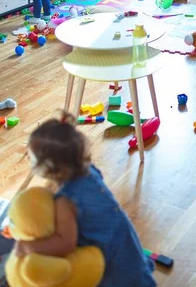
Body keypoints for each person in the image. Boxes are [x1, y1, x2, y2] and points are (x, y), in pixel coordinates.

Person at [14, 113, 157, 287]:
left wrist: (27, 247)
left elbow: (65, 244)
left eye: (31, 157)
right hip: (127, 248)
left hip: (112, 266)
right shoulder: (90, 171)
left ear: (48, 167)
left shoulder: (65, 201)